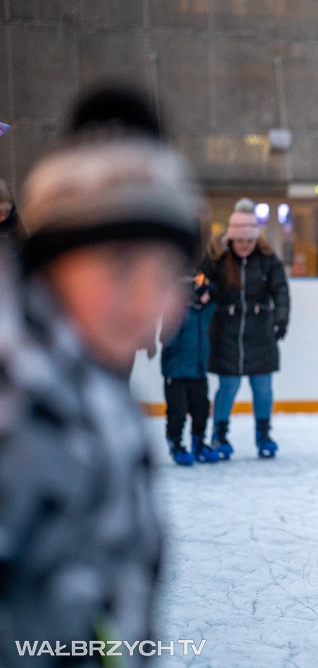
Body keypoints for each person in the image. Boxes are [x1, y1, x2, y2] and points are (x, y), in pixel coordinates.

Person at [0, 136, 200, 666]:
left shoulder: (90, 375)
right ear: (48, 265)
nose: (146, 300)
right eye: (117, 266)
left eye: (166, 274)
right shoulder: (16, 405)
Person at [200, 198, 290, 460]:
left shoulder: (267, 259)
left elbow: (281, 290)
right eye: (240, 241)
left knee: (262, 385)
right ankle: (219, 434)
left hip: (260, 331)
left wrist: (281, 319)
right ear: (231, 238)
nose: (244, 246)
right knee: (228, 384)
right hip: (226, 331)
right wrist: (203, 288)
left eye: (249, 241)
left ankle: (264, 434)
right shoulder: (216, 257)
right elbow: (198, 276)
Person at [160, 269, 219, 465]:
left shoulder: (203, 312)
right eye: (204, 294)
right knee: (177, 411)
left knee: (201, 409)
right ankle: (175, 443)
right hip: (176, 373)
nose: (208, 297)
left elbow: (210, 285)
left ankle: (198, 443)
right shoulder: (177, 313)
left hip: (199, 371)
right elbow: (165, 338)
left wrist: (205, 286)